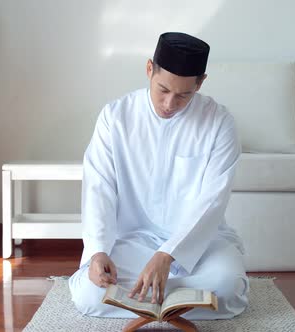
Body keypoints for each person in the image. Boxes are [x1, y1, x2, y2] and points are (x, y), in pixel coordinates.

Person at [69, 32, 248, 320]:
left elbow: (212, 201)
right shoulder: (115, 117)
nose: (169, 104)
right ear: (149, 69)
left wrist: (168, 255)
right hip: (133, 241)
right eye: (163, 90)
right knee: (89, 294)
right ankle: (177, 300)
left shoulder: (219, 122)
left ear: (200, 83)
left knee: (228, 288)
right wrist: (98, 251)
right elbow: (98, 188)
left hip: (201, 244)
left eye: (183, 95)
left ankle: (148, 298)